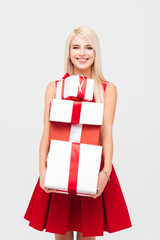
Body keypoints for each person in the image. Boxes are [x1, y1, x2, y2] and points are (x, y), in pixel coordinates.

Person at [24, 26, 132, 240]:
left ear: (96, 52)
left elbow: (107, 131)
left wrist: (106, 171)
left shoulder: (107, 89)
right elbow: (46, 132)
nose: (82, 53)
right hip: (58, 166)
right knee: (61, 233)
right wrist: (42, 170)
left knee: (87, 233)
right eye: (76, 47)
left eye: (88, 47)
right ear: (69, 52)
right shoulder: (54, 87)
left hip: (92, 169)